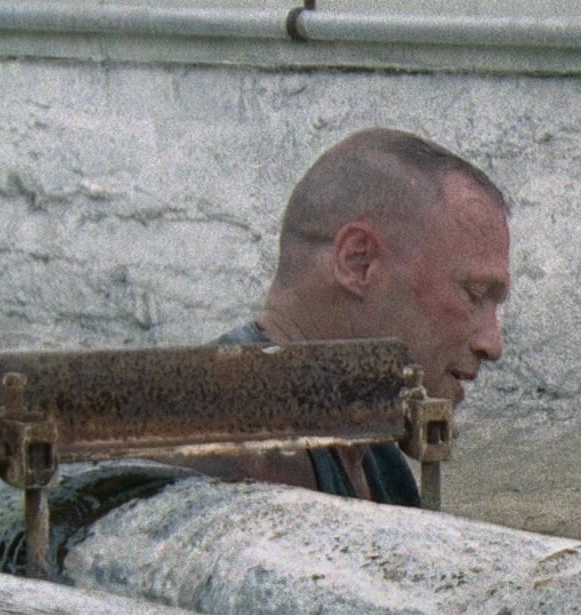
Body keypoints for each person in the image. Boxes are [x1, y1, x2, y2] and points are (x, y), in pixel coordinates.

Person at [194, 128, 512, 505]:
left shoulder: (375, 454)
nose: (493, 345)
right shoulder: (247, 452)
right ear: (358, 261)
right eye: (473, 294)